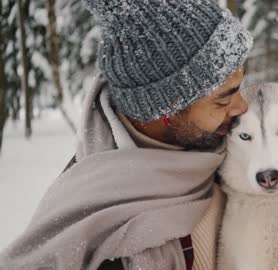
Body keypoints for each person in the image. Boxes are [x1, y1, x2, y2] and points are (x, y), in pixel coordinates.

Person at [0, 0, 252, 270]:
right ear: (167, 108)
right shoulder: (97, 235)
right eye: (223, 100)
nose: (243, 107)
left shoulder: (240, 145)